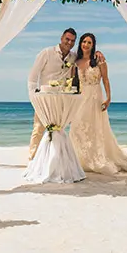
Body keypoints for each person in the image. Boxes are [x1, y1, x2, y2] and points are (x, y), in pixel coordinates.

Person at [69, 33, 127, 175]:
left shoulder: (99, 59)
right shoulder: (76, 62)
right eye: (84, 41)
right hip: (80, 99)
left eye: (89, 42)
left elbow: (106, 80)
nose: (86, 44)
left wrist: (108, 98)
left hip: (95, 97)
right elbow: (72, 83)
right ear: (80, 43)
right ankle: (79, 159)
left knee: (96, 128)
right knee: (77, 127)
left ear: (93, 44)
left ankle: (96, 158)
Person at [27, 28, 104, 160]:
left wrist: (97, 52)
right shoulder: (46, 53)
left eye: (72, 41)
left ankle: (55, 160)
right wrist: (34, 97)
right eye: (67, 39)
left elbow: (86, 59)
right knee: (39, 128)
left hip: (63, 99)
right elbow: (32, 77)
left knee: (59, 129)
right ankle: (32, 159)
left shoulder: (74, 57)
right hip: (45, 98)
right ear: (61, 38)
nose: (69, 42)